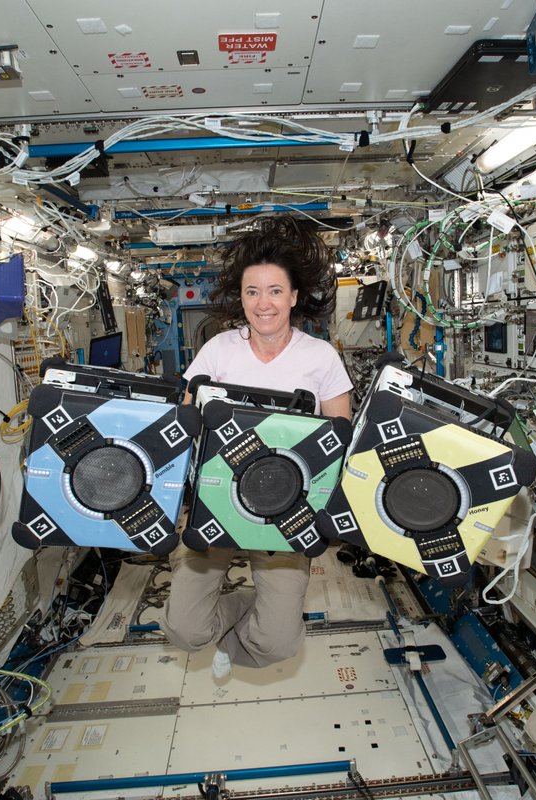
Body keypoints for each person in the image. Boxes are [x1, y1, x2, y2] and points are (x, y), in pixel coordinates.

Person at [163, 216, 352, 679]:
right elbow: (182, 424)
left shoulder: (321, 358)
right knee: (184, 632)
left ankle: (242, 628)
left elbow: (339, 438)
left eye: (273, 291)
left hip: (286, 509)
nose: (262, 303)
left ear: (292, 297)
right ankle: (227, 614)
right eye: (252, 292)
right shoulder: (219, 352)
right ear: (240, 298)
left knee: (276, 643)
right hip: (215, 502)